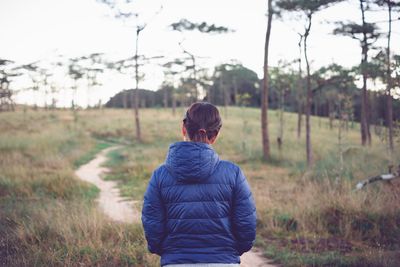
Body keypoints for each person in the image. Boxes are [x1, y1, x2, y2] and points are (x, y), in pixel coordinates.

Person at [141, 102, 256, 267]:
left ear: (183, 128)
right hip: (223, 261)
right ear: (215, 135)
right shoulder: (233, 173)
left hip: (175, 261)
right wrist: (229, 252)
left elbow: (152, 225)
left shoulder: (160, 175)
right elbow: (246, 224)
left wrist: (167, 251)